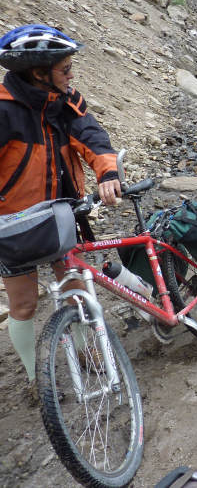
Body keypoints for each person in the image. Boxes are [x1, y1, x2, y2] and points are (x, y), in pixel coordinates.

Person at [0, 24, 121, 402]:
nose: (72, 76)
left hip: (63, 213)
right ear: (38, 72)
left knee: (75, 290)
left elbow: (92, 137)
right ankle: (36, 376)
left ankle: (85, 351)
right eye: (65, 69)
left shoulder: (65, 101)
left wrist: (108, 172)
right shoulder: (2, 108)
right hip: (12, 224)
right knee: (23, 304)